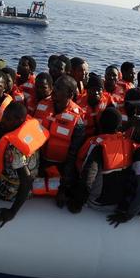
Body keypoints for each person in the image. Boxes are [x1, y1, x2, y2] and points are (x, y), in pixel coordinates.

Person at [0, 102, 48, 227]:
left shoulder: (14, 148)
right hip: (31, 176)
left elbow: (26, 181)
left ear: (19, 120)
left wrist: (12, 212)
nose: (3, 120)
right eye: (4, 116)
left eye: (7, 119)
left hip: (11, 191)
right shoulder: (30, 127)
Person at [33, 75, 85, 203]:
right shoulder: (42, 105)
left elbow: (73, 156)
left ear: (70, 94)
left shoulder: (77, 121)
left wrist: (63, 188)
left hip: (61, 166)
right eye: (55, 86)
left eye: (58, 88)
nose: (54, 90)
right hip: (39, 160)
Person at [71, 108, 133, 212]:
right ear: (119, 126)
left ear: (100, 124)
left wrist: (78, 202)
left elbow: (88, 175)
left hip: (96, 202)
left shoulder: (96, 145)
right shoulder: (129, 143)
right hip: (119, 201)